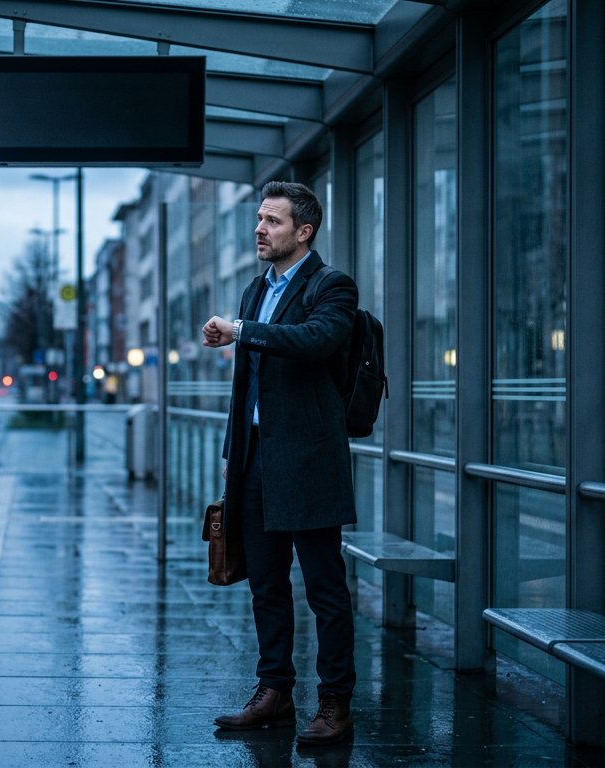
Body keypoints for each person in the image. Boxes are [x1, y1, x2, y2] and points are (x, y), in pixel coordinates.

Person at [201, 180, 358, 746]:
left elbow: (315, 339)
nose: (260, 230)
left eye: (273, 221)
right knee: (265, 583)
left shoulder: (332, 286)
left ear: (304, 231)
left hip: (312, 460)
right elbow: (245, 387)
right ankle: (274, 692)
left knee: (324, 589)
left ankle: (336, 702)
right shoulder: (253, 290)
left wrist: (242, 330)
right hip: (257, 459)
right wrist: (231, 455)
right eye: (259, 220)